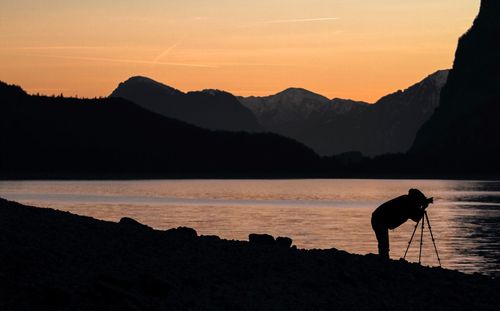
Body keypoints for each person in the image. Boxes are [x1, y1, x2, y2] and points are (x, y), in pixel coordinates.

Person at [371, 189, 433, 259]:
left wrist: (421, 207)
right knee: (384, 244)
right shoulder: (408, 203)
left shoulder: (407, 200)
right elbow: (417, 218)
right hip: (379, 219)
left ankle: (382, 260)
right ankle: (383, 261)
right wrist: (423, 207)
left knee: (383, 244)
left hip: (379, 218)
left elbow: (415, 215)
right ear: (415, 199)